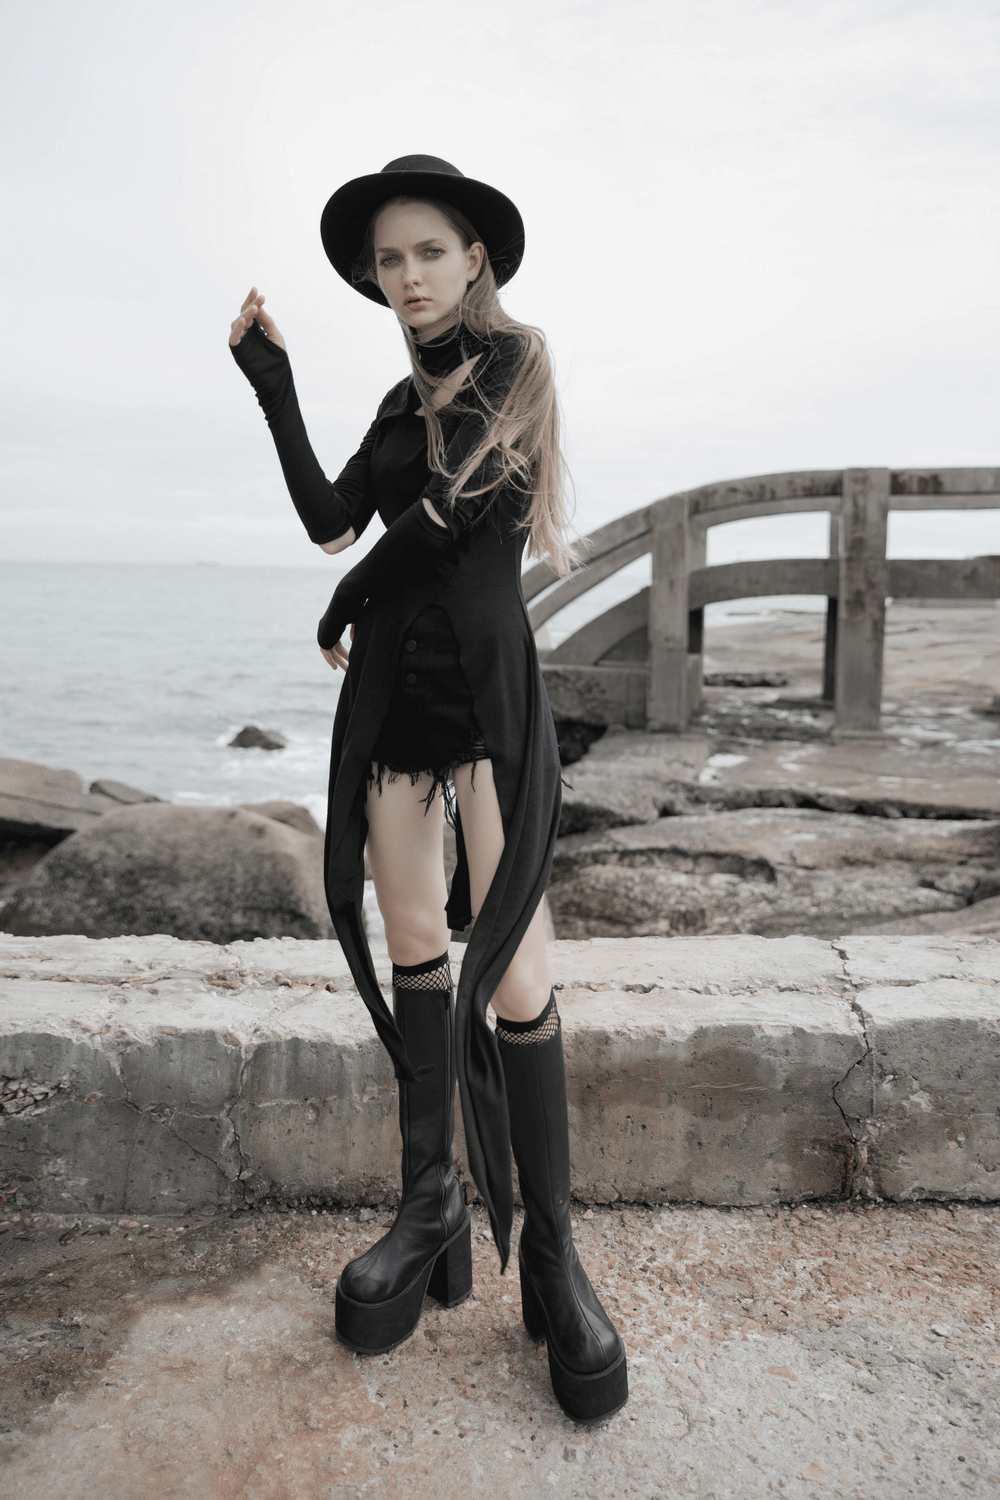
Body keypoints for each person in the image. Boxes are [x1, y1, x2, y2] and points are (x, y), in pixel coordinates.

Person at [229, 155, 627, 1422]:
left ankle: (552, 1261)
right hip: (393, 700)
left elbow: (455, 515)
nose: (404, 277)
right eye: (386, 261)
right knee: (412, 941)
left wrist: (345, 600)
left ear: (474, 258)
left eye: (425, 253)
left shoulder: (519, 360)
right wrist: (272, 383)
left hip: (485, 691)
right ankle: (429, 1206)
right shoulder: (399, 402)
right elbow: (330, 521)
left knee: (513, 965)